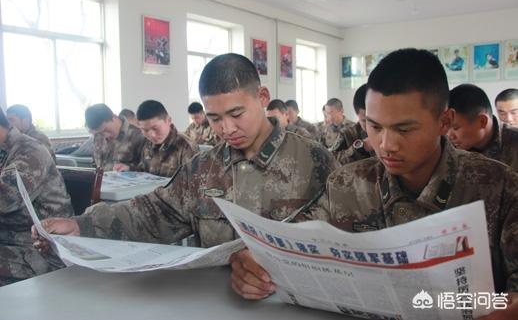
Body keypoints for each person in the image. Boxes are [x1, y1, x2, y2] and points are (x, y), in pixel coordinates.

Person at [33, 53, 337, 286]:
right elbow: (152, 214)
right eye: (215, 118)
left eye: (236, 113)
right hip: (217, 300)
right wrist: (81, 225)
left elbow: (344, 239)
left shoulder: (314, 161)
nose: (226, 128)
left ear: (262, 98)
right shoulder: (203, 169)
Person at [325, 49, 518, 319]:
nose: (386, 145)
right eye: (375, 127)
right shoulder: (346, 185)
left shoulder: (499, 186)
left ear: (444, 121)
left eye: (404, 129)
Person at [0, 107, 73, 286]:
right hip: (10, 240)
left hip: (40, 247)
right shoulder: (5, 149)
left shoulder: (30, 151)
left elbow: (6, 200)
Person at [448, 84, 518, 172]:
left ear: (482, 121)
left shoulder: (514, 144)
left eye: (455, 128)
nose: (449, 135)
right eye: (446, 126)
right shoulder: (446, 147)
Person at [133, 100, 198, 177]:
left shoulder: (186, 147)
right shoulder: (147, 144)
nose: (152, 135)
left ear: (168, 120)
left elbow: (194, 183)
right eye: (145, 130)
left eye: (155, 128)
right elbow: (143, 171)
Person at [86, 104, 146, 171]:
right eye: (99, 133)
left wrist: (130, 168)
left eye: (106, 130)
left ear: (114, 117)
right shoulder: (98, 136)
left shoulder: (139, 136)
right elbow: (95, 164)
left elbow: (147, 169)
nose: (105, 136)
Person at [335, 84, 375, 165]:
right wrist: (359, 147)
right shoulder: (348, 134)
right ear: (357, 115)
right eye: (364, 121)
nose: (370, 126)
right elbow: (331, 160)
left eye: (375, 121)